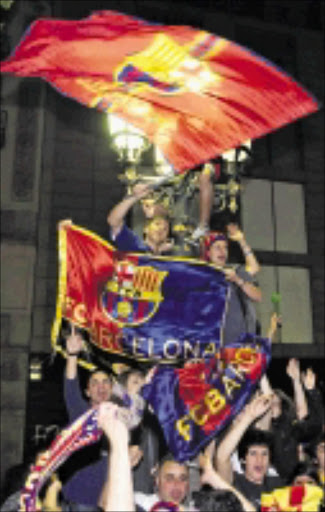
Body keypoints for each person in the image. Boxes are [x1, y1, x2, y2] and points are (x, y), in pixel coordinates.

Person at [215, 393, 284, 510]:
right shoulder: (235, 482)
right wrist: (249, 417)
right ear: (243, 458)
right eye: (253, 453)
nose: (259, 459)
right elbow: (221, 457)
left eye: (264, 454)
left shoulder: (278, 485)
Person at [202, 229, 261, 345]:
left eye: (225, 247)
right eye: (217, 247)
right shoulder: (200, 275)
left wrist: (238, 280)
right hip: (210, 344)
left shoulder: (236, 271)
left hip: (238, 344)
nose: (222, 251)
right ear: (208, 252)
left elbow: (258, 296)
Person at [107, 183, 174, 255]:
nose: (161, 229)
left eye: (165, 229)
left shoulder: (167, 260)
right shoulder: (132, 244)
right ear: (146, 229)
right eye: (157, 224)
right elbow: (113, 221)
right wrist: (135, 197)